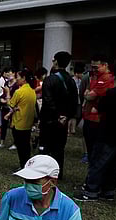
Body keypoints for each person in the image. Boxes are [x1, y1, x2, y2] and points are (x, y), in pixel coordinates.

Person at [74, 63, 116, 202]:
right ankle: (109, 190)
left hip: (107, 131)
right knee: (114, 163)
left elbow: (98, 108)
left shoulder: (111, 92)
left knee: (98, 161)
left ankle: (91, 190)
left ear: (114, 74)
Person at [39, 51, 78, 179]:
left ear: (56, 61)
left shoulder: (50, 80)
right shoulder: (71, 81)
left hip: (50, 119)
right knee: (59, 148)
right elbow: (74, 100)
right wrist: (66, 116)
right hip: (63, 121)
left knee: (45, 147)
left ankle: (44, 173)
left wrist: (57, 115)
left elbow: (47, 100)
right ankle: (57, 173)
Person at [82, 54, 114, 167]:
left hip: (96, 120)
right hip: (89, 117)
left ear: (105, 65)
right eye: (92, 67)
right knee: (91, 152)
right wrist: (88, 94)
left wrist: (89, 94)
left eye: (96, 67)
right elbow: (87, 92)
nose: (94, 70)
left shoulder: (106, 78)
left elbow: (90, 95)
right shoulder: (95, 77)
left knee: (96, 153)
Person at [4, 69, 36, 170]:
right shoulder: (32, 91)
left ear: (23, 78)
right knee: (26, 146)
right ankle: (26, 165)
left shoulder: (19, 91)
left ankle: (23, 166)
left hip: (19, 123)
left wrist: (8, 92)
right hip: (28, 122)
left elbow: (10, 104)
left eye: (18, 77)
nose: (16, 79)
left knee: (21, 147)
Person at [69, 62, 85, 136]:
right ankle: (68, 129)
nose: (82, 75)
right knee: (71, 115)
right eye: (81, 73)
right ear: (76, 73)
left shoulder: (81, 80)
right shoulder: (72, 80)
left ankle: (73, 129)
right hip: (72, 100)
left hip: (78, 100)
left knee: (76, 115)